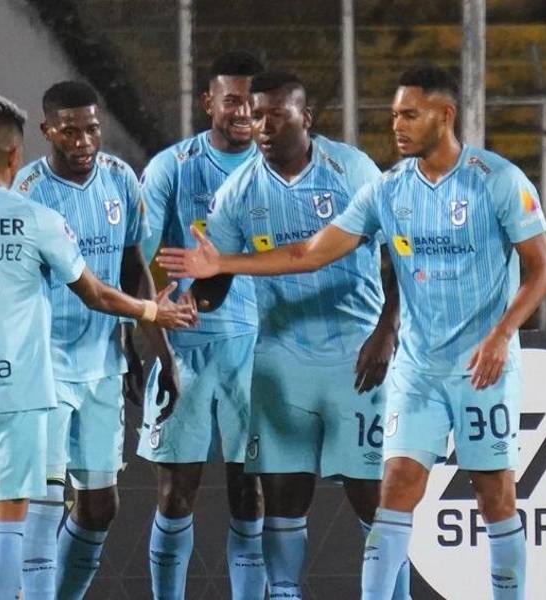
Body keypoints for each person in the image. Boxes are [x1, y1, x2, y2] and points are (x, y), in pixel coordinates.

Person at [158, 65, 546, 600]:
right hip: (390, 371)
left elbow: (542, 268)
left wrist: (498, 333)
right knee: (383, 496)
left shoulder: (494, 179)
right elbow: (308, 253)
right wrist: (213, 273)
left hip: (452, 366)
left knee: (492, 496)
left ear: (445, 115)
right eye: (394, 115)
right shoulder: (387, 190)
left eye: (409, 115)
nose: (398, 126)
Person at [0, 95, 194, 600]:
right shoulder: (33, 214)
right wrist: (150, 313)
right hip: (26, 386)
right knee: (18, 518)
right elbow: (94, 291)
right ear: (18, 154)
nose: (82, 142)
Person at [162, 70, 407, 599]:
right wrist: (190, 301)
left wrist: (388, 329)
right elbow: (216, 279)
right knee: (282, 505)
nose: (260, 124)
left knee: (375, 503)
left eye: (276, 114)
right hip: (279, 362)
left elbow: (402, 257)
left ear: (306, 118)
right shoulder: (238, 192)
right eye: (255, 113)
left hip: (356, 356)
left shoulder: (352, 170)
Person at [12, 81, 182, 599]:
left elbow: (135, 270)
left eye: (91, 128)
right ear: (46, 132)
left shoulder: (120, 179)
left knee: (99, 506)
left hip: (103, 366)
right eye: (69, 131)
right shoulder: (27, 192)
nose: (83, 140)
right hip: (43, 369)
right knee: (42, 509)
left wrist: (158, 354)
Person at [137, 51, 268, 599]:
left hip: (254, 351)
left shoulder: (275, 169)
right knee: (175, 493)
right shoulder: (173, 165)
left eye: (251, 102)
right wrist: (154, 336)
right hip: (186, 350)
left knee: (249, 491)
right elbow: (133, 261)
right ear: (208, 101)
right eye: (230, 99)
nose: (242, 112)